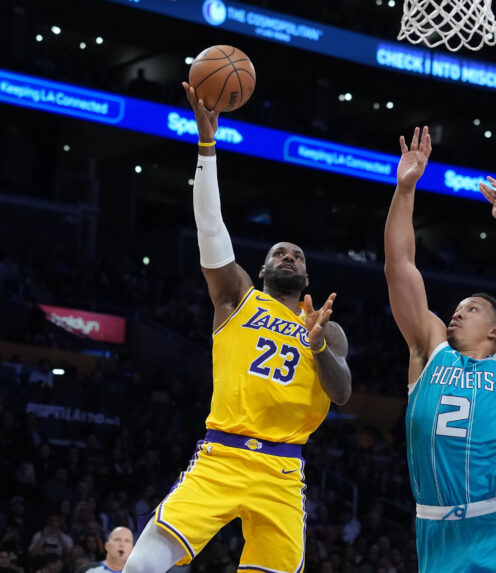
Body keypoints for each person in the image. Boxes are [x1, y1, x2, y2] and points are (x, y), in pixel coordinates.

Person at [123, 82, 352, 573]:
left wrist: (317, 348)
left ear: (306, 276)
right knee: (142, 564)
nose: (289, 256)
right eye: (278, 253)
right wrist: (207, 149)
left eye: (298, 255)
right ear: (264, 269)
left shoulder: (326, 328)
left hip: (283, 471)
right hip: (222, 455)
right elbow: (211, 226)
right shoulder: (236, 299)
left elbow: (343, 393)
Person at [385, 127, 496, 572]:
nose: (457, 314)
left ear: (495, 332)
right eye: (457, 308)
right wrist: (405, 189)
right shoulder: (429, 348)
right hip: (435, 530)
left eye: (471, 309)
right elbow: (400, 265)